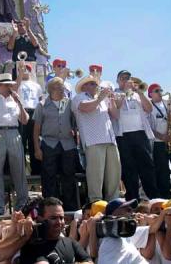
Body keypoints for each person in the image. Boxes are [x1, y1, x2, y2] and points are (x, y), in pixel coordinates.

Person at [0, 73, 29, 215]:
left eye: (11, 84)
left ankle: (22, 204)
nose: (10, 87)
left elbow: (25, 120)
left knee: (19, 169)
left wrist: (20, 103)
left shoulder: (16, 100)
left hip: (14, 132)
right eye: (7, 84)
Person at [71, 75, 121, 202]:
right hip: (93, 141)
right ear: (84, 87)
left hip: (110, 140)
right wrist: (100, 98)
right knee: (95, 175)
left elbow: (115, 115)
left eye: (96, 84)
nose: (96, 86)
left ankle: (113, 200)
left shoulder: (102, 100)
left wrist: (112, 100)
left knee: (114, 173)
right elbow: (86, 108)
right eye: (92, 84)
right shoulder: (79, 98)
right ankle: (96, 201)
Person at [113, 70, 159, 201]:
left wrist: (139, 92)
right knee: (129, 169)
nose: (125, 80)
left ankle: (153, 197)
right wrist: (124, 92)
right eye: (122, 78)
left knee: (147, 167)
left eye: (128, 78)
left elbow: (149, 109)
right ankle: (133, 199)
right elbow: (116, 107)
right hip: (123, 136)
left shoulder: (138, 94)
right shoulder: (114, 93)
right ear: (117, 80)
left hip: (140, 134)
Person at [33, 77, 78, 210]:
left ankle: (71, 208)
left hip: (67, 144)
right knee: (49, 177)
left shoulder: (69, 103)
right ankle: (50, 208)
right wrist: (37, 149)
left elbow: (75, 123)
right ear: (52, 89)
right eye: (60, 87)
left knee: (69, 176)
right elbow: (36, 129)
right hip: (49, 143)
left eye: (63, 87)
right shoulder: (42, 105)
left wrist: (75, 132)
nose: (63, 89)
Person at [20, 197, 93, 263]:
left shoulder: (70, 243)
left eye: (61, 218)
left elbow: (89, 261)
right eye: (53, 218)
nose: (59, 222)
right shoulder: (31, 248)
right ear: (40, 219)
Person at [16, 62, 43, 175]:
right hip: (21, 112)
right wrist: (20, 75)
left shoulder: (36, 85)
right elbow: (14, 88)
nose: (25, 70)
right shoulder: (17, 82)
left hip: (34, 112)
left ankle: (36, 171)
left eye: (27, 68)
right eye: (22, 68)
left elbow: (41, 99)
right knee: (20, 142)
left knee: (34, 141)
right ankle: (20, 171)